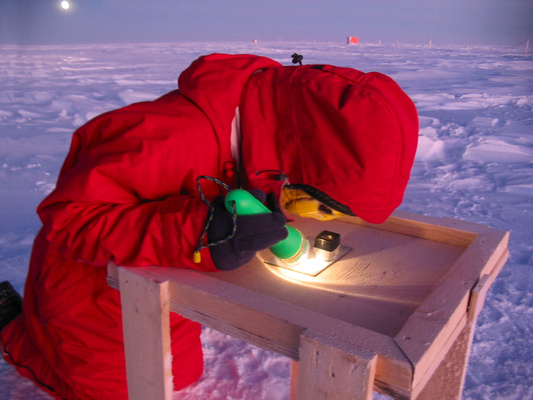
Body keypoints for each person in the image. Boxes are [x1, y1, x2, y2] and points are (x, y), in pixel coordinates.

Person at [0, 53, 418, 399]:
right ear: (300, 159)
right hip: (91, 282)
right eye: (323, 206)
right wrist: (200, 232)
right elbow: (69, 217)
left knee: (176, 374)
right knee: (104, 388)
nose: (317, 218)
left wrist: (246, 223)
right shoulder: (166, 135)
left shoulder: (265, 133)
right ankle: (10, 325)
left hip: (160, 272)